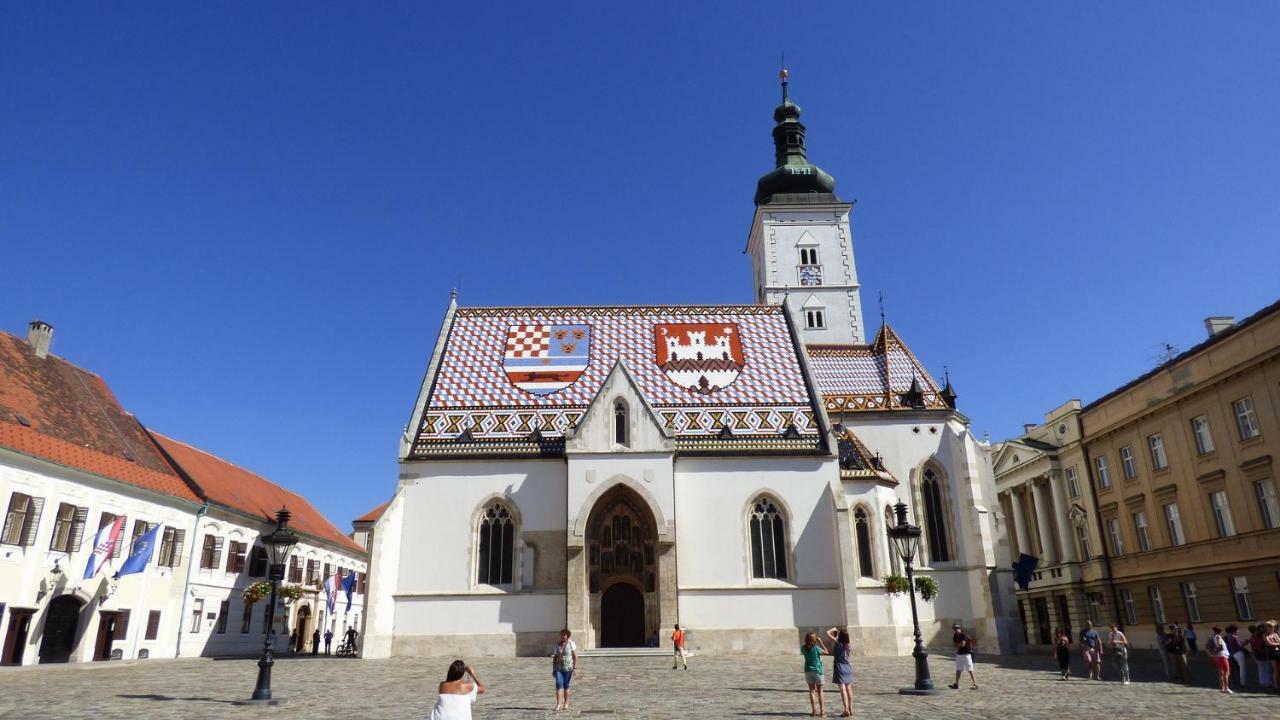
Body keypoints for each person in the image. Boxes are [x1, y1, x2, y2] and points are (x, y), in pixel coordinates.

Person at [826, 627, 853, 718]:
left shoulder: (838, 643)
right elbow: (838, 639)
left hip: (839, 667)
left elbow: (828, 633)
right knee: (848, 688)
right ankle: (850, 708)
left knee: (842, 689)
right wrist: (838, 634)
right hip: (847, 667)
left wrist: (832, 629)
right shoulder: (848, 644)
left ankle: (846, 710)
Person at [801, 631, 827, 717]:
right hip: (818, 671)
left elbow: (806, 648)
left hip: (808, 671)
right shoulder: (816, 648)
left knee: (812, 691)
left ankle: (813, 711)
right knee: (820, 691)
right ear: (814, 639)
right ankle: (822, 712)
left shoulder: (803, 648)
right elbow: (827, 652)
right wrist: (820, 642)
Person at [551, 628, 578, 712]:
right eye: (561, 635)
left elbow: (575, 656)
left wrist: (575, 667)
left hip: (568, 668)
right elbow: (555, 658)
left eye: (564, 635)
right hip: (559, 668)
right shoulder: (557, 645)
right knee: (559, 684)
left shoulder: (571, 644)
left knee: (566, 685)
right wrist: (554, 669)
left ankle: (566, 703)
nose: (562, 636)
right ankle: (559, 704)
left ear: (567, 636)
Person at [948, 624, 978, 690]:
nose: (956, 630)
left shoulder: (963, 635)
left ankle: (975, 684)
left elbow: (963, 644)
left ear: (960, 628)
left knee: (970, 669)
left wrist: (957, 645)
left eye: (957, 628)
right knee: (958, 669)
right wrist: (958, 644)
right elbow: (954, 645)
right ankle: (956, 684)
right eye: (955, 629)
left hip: (966, 654)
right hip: (959, 654)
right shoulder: (955, 636)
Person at [1208, 626, 1233, 694]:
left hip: (1218, 657)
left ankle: (1222, 688)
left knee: (1220, 673)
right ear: (1221, 631)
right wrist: (1220, 646)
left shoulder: (1213, 637)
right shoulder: (1218, 636)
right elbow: (1220, 645)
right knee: (1226, 672)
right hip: (1222, 656)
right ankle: (1226, 688)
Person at [1250, 624, 1273, 689]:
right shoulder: (1258, 637)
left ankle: (1265, 682)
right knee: (1264, 668)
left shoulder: (1256, 636)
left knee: (1264, 668)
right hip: (1261, 653)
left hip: (1261, 653)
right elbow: (1255, 647)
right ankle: (1265, 682)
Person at [1265, 620, 1280, 690]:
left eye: (1272, 627)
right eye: (1269, 627)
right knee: (1276, 670)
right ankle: (1276, 686)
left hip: (1278, 652)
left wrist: (1277, 643)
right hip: (1272, 653)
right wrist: (1278, 644)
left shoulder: (1275, 634)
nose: (1271, 629)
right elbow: (1269, 644)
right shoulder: (1265, 635)